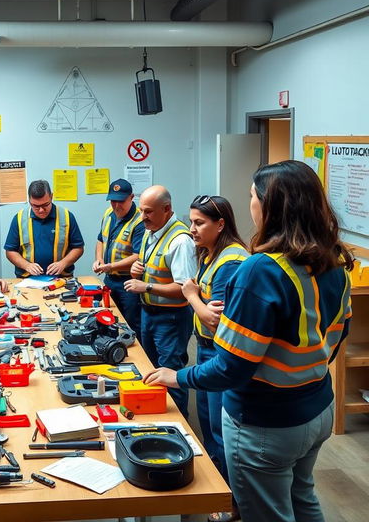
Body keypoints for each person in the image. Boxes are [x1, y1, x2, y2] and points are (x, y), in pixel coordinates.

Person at [145, 161, 354, 522]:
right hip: (318, 406)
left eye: (252, 197)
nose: (250, 205)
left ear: (271, 207)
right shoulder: (333, 260)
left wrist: (176, 377)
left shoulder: (260, 270)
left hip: (266, 422)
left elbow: (231, 367)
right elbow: (337, 337)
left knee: (268, 512)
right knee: (302, 498)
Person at [181, 195, 249, 522]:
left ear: (220, 224)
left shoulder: (231, 261)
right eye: (191, 221)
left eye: (199, 223)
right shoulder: (211, 253)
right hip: (206, 348)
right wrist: (199, 299)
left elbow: (215, 319)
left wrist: (191, 294)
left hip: (219, 352)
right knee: (208, 426)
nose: (192, 228)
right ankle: (217, 490)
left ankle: (231, 502)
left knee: (221, 434)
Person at [123, 185, 196, 417]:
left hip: (171, 318)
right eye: (142, 211)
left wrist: (147, 286)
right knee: (151, 370)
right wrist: (137, 270)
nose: (142, 217)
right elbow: (151, 267)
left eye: (148, 212)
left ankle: (180, 427)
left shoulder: (181, 241)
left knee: (171, 375)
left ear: (167, 209)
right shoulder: (150, 229)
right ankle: (157, 417)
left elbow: (186, 289)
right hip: (149, 312)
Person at [92, 178, 145, 338]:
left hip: (129, 282)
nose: (116, 205)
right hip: (110, 280)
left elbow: (138, 256)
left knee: (131, 324)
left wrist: (111, 266)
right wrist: (99, 259)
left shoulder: (139, 221)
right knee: (109, 319)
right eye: (113, 201)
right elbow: (101, 239)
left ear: (131, 197)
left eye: (121, 201)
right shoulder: (109, 214)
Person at [4, 180, 84, 277]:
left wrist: (63, 263)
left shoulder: (66, 216)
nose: (41, 210)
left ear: (51, 197)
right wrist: (26, 265)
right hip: (27, 279)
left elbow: (78, 248)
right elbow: (10, 251)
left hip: (61, 278)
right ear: (29, 201)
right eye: (36, 206)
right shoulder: (19, 218)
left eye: (45, 205)